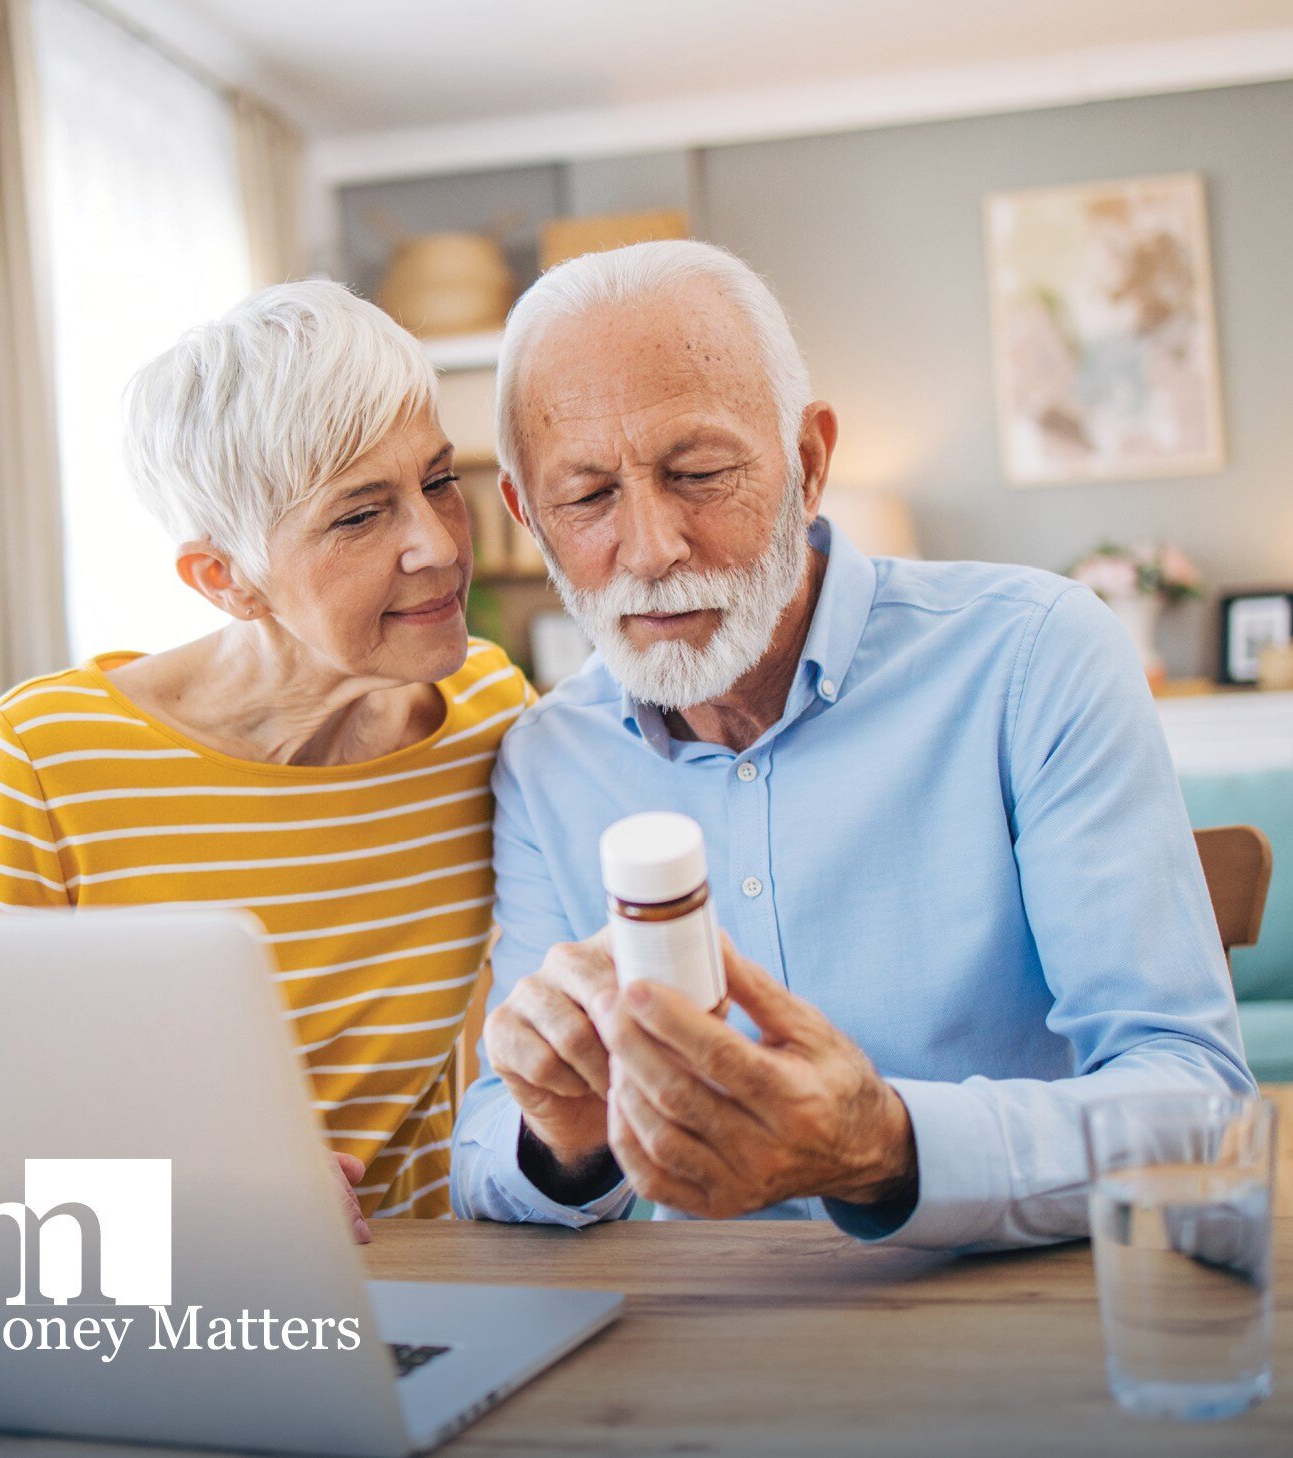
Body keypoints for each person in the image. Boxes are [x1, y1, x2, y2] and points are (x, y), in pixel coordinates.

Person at [450, 240, 1253, 1249]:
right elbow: (487, 1140)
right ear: (528, 515)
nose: (651, 549)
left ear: (810, 463)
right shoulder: (546, 760)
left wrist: (890, 1145)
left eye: (699, 473)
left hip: (1014, 1310)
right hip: (700, 1348)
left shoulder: (1034, 656)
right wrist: (564, 1142)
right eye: (586, 498)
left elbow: (1196, 1104)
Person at [0, 281, 532, 1238]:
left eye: (437, 480)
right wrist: (188, 1184)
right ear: (225, 579)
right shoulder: (45, 762)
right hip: (152, 1301)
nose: (440, 544)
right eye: (361, 516)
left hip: (437, 1296)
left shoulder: (489, 712)